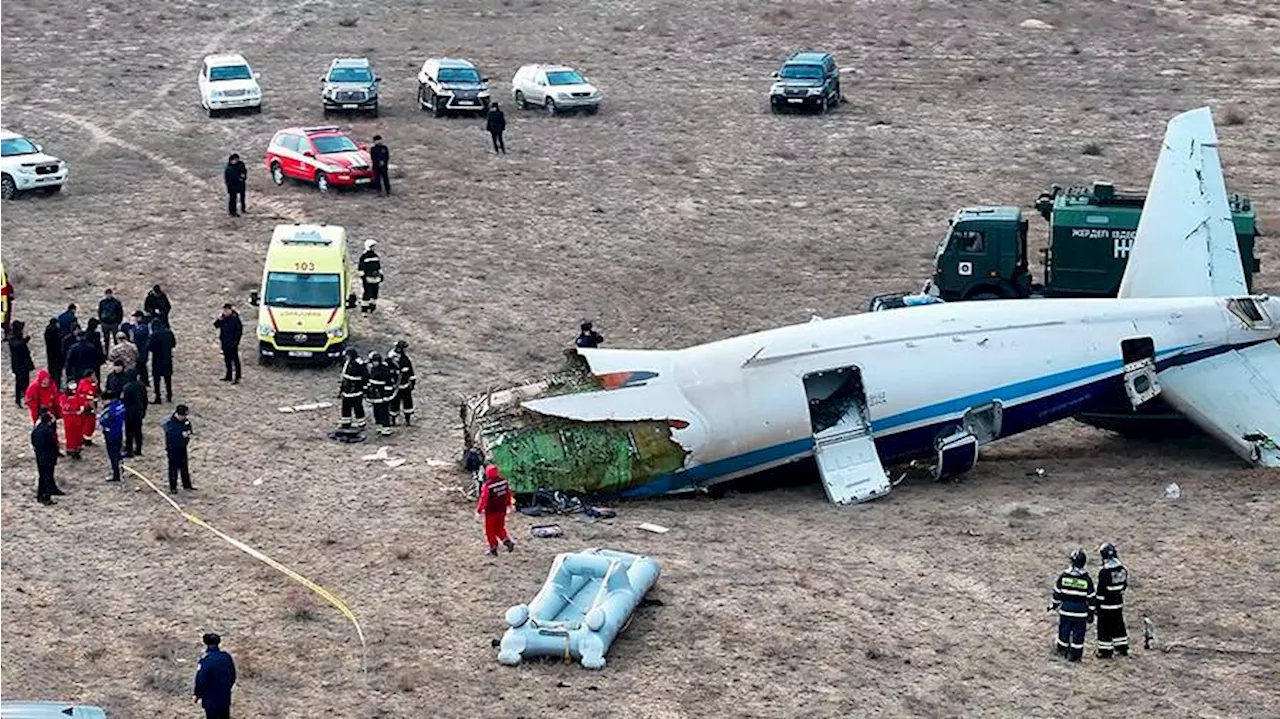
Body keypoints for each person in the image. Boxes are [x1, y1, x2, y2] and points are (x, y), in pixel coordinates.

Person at [1051, 548, 1096, 662]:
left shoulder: (1064, 576)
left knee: (1064, 631)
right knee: (1078, 635)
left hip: (1066, 610)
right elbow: (1091, 598)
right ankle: (1075, 656)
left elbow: (1057, 593)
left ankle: (1062, 650)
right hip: (1081, 613)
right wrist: (1091, 613)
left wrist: (1054, 605)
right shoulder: (1087, 579)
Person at [1095, 543, 1130, 658]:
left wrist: (1097, 605)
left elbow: (1101, 591)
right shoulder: (1122, 569)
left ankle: (1105, 651)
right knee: (1118, 625)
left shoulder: (1104, 572)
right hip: (1118, 604)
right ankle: (1122, 647)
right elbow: (1124, 586)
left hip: (1105, 606)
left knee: (1104, 628)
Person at [193, 632, 236, 719]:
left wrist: (197, 693)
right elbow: (233, 675)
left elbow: (201, 679)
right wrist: (227, 687)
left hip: (210, 698)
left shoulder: (206, 659)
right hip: (225, 696)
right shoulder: (226, 657)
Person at [476, 465, 516, 556]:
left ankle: (493, 547)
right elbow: (508, 494)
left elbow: (483, 498)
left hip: (491, 511)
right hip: (502, 510)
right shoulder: (504, 482)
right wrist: (509, 505)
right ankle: (507, 541)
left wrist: (479, 510)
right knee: (499, 528)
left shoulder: (488, 485)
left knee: (490, 530)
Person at [32, 409, 62, 505]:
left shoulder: (37, 429)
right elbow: (52, 443)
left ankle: (48, 491)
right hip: (47, 456)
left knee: (44, 475)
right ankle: (44, 496)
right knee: (46, 476)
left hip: (40, 455)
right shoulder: (47, 431)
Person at [164, 404, 195, 493]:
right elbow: (171, 436)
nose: (185, 417)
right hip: (173, 449)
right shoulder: (170, 423)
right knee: (173, 468)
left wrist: (188, 432)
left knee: (184, 467)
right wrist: (181, 434)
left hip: (182, 447)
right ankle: (173, 487)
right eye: (183, 415)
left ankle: (187, 485)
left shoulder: (185, 421)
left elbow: (189, 427)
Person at [387, 339, 416, 426]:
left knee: (408, 403)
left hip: (405, 385)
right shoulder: (390, 360)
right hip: (395, 386)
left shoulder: (405, 359)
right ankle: (393, 420)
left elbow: (411, 372)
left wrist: (412, 382)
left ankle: (407, 419)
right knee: (394, 404)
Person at [99, 393, 126, 482]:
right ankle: (121, 470)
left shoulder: (109, 410)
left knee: (113, 455)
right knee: (118, 453)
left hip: (110, 434)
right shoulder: (120, 405)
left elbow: (103, 421)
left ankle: (116, 475)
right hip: (119, 432)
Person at [149, 317, 176, 403]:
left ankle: (158, 397)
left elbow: (150, 347)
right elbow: (174, 344)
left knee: (157, 380)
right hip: (167, 358)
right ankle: (169, 395)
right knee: (168, 379)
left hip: (157, 359)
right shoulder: (169, 332)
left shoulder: (154, 335)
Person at [366, 352, 394, 436]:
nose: (373, 364)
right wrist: (368, 392)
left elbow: (388, 384)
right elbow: (370, 381)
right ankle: (379, 426)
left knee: (384, 411)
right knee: (376, 411)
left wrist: (387, 395)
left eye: (374, 362)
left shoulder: (384, 369)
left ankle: (386, 428)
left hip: (382, 395)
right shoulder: (373, 369)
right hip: (375, 395)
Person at [338, 348, 368, 429]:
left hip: (356, 390)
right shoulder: (347, 363)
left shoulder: (359, 364)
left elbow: (365, 377)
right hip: (346, 389)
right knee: (345, 407)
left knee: (357, 407)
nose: (346, 357)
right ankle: (346, 423)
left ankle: (361, 423)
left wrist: (364, 389)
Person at [213, 304, 242, 384]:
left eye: (226, 310)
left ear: (230, 310)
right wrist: (219, 319)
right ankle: (228, 375)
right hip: (225, 342)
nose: (225, 312)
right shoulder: (223, 318)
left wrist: (236, 343)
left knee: (235, 361)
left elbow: (238, 332)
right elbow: (216, 325)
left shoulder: (235, 319)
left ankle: (237, 377)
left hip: (233, 343)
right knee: (227, 360)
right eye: (224, 310)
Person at [60, 380, 89, 460]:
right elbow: (64, 407)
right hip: (69, 419)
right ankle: (72, 449)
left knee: (78, 434)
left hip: (78, 419)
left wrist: (82, 408)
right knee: (70, 435)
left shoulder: (78, 395)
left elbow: (82, 403)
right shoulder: (64, 397)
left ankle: (77, 449)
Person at [121, 369, 147, 457]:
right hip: (139, 411)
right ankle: (138, 449)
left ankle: (129, 450)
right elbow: (145, 399)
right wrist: (143, 410)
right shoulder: (141, 385)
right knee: (138, 431)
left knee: (129, 432)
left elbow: (124, 401)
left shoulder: (127, 387)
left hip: (129, 413)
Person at [8, 320, 34, 407]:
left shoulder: (18, 337)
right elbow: (16, 345)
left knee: (26, 381)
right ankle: (18, 399)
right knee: (19, 383)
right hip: (18, 364)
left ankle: (26, 397)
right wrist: (25, 341)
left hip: (25, 363)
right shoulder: (12, 338)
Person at [356, 240, 382, 314]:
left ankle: (372, 307)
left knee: (374, 293)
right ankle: (364, 309)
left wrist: (381, 274)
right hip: (368, 279)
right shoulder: (364, 257)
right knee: (367, 293)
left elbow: (378, 266)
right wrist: (363, 277)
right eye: (372, 246)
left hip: (376, 278)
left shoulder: (375, 256)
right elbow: (361, 268)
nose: (374, 248)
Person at [131, 310, 151, 398]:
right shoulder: (141, 326)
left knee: (141, 366)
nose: (135, 319)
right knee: (141, 366)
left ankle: (144, 381)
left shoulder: (143, 326)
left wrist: (134, 329)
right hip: (140, 350)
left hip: (142, 350)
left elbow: (139, 334)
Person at [97, 288, 124, 353]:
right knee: (106, 340)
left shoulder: (116, 302)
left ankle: (117, 353)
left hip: (114, 323)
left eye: (109, 294)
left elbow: (120, 312)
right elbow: (99, 312)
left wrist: (118, 321)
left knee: (116, 339)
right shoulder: (102, 302)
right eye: (107, 294)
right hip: (105, 323)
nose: (108, 295)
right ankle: (106, 353)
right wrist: (101, 321)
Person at [43, 318, 64, 385]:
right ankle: (57, 384)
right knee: (58, 370)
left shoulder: (47, 331)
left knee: (51, 368)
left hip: (50, 352)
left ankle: (52, 381)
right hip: (58, 353)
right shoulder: (57, 331)